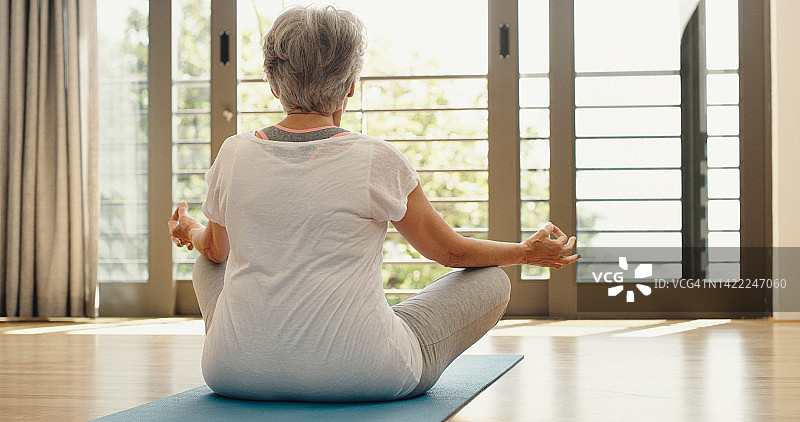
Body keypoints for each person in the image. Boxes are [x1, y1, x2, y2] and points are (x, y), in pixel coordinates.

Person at [168, 5, 579, 402]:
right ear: (350, 84)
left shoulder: (233, 153)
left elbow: (215, 249)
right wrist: (526, 252)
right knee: (493, 280)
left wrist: (188, 228)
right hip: (365, 373)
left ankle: (255, 351)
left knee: (208, 263)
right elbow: (451, 252)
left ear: (273, 86)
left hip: (233, 374)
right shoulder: (376, 158)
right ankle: (360, 338)